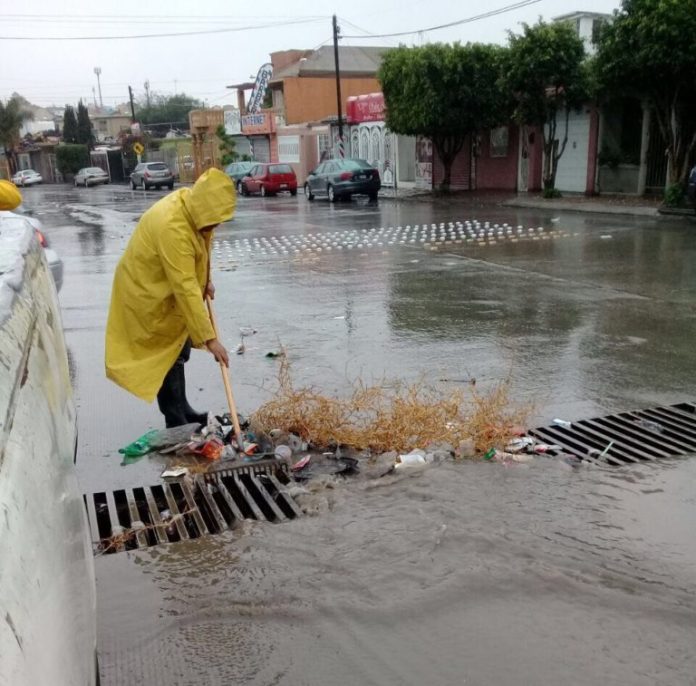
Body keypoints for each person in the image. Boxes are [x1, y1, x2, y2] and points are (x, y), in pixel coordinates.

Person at [105, 168, 235, 427]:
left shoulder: (196, 211)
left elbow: (199, 252)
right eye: (215, 220)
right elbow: (184, 284)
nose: (217, 225)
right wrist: (210, 339)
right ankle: (175, 417)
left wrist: (205, 280)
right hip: (146, 290)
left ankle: (182, 407)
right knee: (167, 353)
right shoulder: (173, 226)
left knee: (180, 348)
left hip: (164, 284)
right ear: (204, 209)